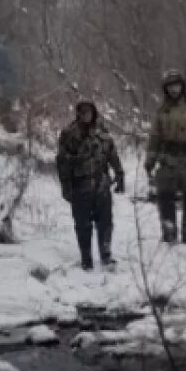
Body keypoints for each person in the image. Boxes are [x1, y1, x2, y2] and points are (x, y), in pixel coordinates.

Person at [144, 69, 186, 244]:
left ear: (182, 87)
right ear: (165, 89)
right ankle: (169, 235)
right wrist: (150, 160)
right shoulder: (162, 111)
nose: (174, 90)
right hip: (167, 161)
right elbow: (154, 137)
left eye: (177, 86)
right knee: (165, 200)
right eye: (170, 87)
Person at [56, 99, 125, 270]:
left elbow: (112, 155)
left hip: (101, 185)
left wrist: (119, 174)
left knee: (106, 222)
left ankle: (106, 256)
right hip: (80, 186)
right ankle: (86, 258)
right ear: (78, 113)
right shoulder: (69, 134)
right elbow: (62, 162)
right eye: (83, 112)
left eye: (90, 112)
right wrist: (66, 186)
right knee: (82, 225)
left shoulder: (102, 133)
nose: (87, 115)